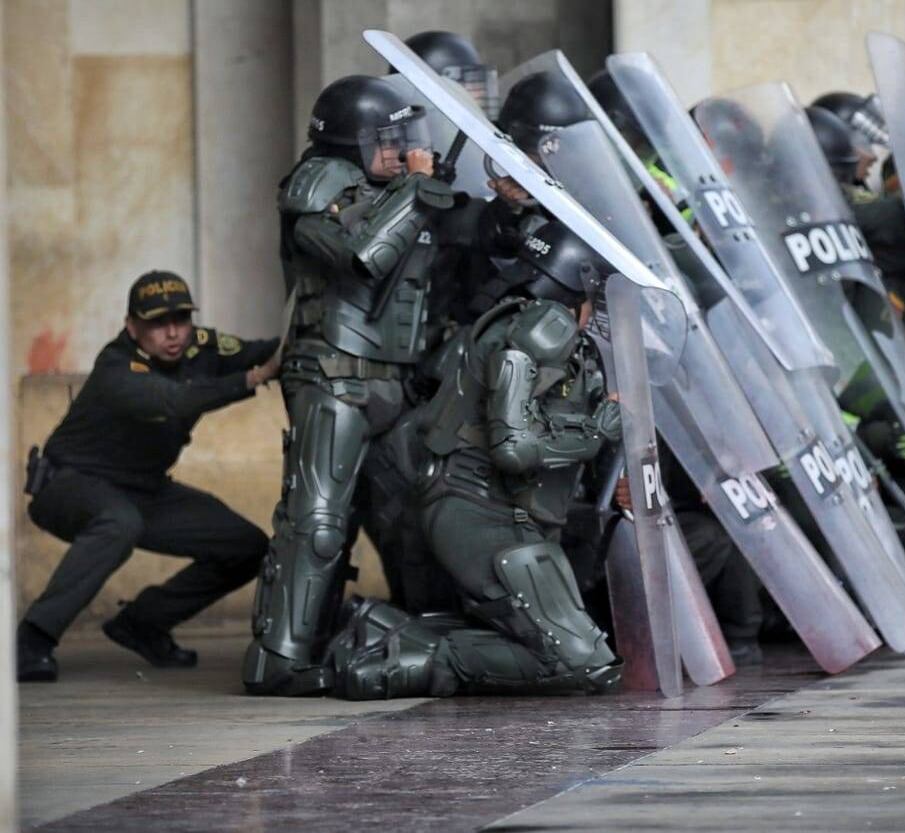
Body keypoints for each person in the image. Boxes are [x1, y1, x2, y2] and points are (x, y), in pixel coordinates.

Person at [242, 74, 507, 696]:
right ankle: (278, 659)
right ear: (349, 141)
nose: (398, 149)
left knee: (417, 512)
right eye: (383, 139)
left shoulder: (396, 189)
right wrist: (417, 188)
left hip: (394, 382)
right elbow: (361, 254)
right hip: (333, 375)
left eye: (402, 138)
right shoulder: (316, 183)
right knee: (319, 519)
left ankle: (424, 630)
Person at [325, 221, 623, 698]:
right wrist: (598, 431)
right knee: (583, 663)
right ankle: (404, 650)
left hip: (499, 512)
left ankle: (391, 628)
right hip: (483, 511)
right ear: (576, 280)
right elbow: (515, 447)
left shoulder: (518, 322)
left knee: (576, 652)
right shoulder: (541, 332)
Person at [17, 271, 279, 682]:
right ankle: (30, 641)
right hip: (69, 484)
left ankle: (143, 623)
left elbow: (267, 352)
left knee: (245, 546)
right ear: (132, 326)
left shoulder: (201, 347)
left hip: (143, 490)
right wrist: (252, 379)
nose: (173, 333)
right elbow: (171, 400)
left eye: (181, 320)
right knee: (118, 522)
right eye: (158, 323)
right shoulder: (116, 366)